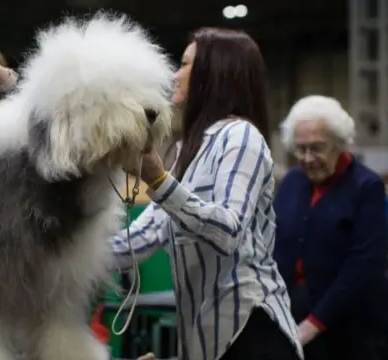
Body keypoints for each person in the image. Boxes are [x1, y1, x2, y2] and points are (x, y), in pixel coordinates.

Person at [111, 28, 302, 360]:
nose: (176, 74)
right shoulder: (191, 149)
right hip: (207, 338)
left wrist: (158, 181)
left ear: (215, 75)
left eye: (185, 64)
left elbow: (227, 232)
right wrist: (66, 258)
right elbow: (143, 237)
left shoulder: (240, 137)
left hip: (251, 331)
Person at [273, 95, 388, 360]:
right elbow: (278, 246)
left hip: (351, 324)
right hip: (296, 314)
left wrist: (315, 323)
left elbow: (364, 265)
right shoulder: (292, 182)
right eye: (300, 149)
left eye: (316, 148)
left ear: (340, 144)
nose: (307, 158)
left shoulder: (366, 186)